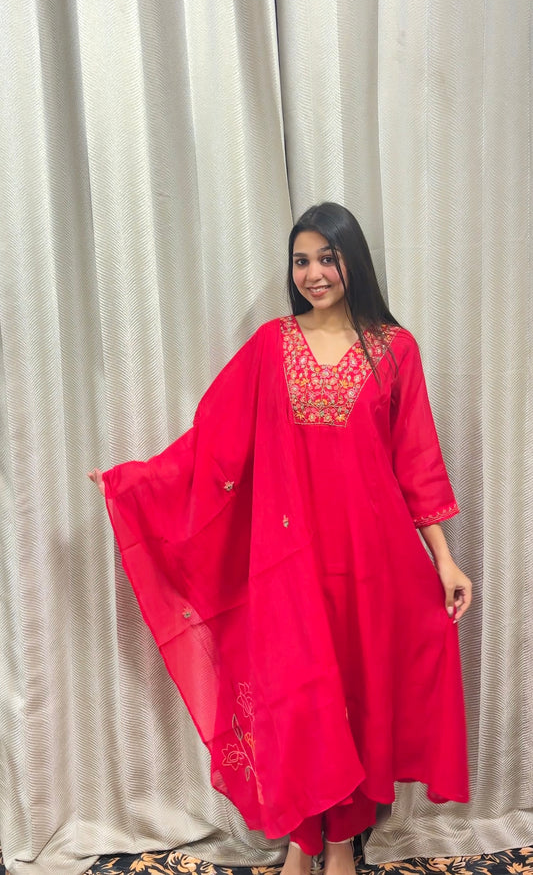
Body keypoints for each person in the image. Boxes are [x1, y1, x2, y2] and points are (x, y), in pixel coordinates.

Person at [89, 203, 472, 875]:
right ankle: (303, 842)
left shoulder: (394, 348)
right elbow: (214, 444)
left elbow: (415, 462)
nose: (314, 273)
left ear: (353, 261)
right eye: (302, 261)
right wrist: (138, 483)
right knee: (297, 700)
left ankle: (340, 844)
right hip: (288, 560)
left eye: (328, 257)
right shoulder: (272, 344)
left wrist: (444, 560)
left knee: (357, 694)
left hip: (371, 560)